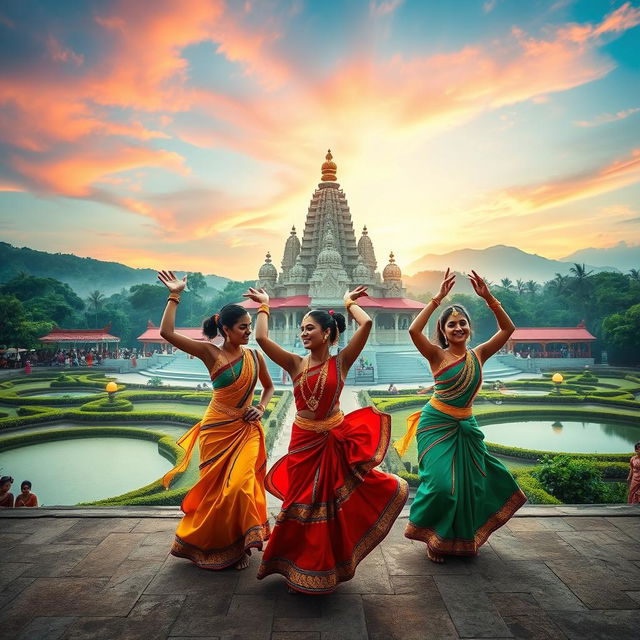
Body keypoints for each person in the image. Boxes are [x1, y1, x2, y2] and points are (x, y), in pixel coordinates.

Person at [243, 285, 408, 594]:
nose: (304, 333)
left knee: (327, 506)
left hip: (332, 441)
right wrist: (264, 306)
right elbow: (263, 339)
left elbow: (367, 324)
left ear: (327, 333)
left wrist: (349, 303)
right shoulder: (295, 363)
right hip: (303, 442)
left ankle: (319, 568)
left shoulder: (341, 361)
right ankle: (294, 565)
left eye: (310, 328)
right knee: (299, 503)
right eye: (302, 328)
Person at [395, 268, 526, 563]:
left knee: (475, 484)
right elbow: (413, 331)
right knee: (442, 486)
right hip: (436, 424)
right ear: (443, 331)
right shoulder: (436, 356)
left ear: (469, 327)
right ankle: (432, 537)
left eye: (462, 323)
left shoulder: (478, 354)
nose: (457, 328)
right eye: (451, 324)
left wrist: (489, 298)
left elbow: (508, 331)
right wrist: (437, 299)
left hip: (466, 425)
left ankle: (461, 539)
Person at [158, 270, 274, 570]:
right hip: (217, 429)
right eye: (242, 328)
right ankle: (229, 546)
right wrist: (175, 295)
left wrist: (261, 407)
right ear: (225, 328)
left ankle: (243, 539)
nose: (248, 333)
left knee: (240, 485)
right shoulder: (210, 353)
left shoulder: (254, 357)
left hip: (246, 429)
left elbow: (269, 388)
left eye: (249, 327)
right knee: (219, 492)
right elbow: (167, 334)